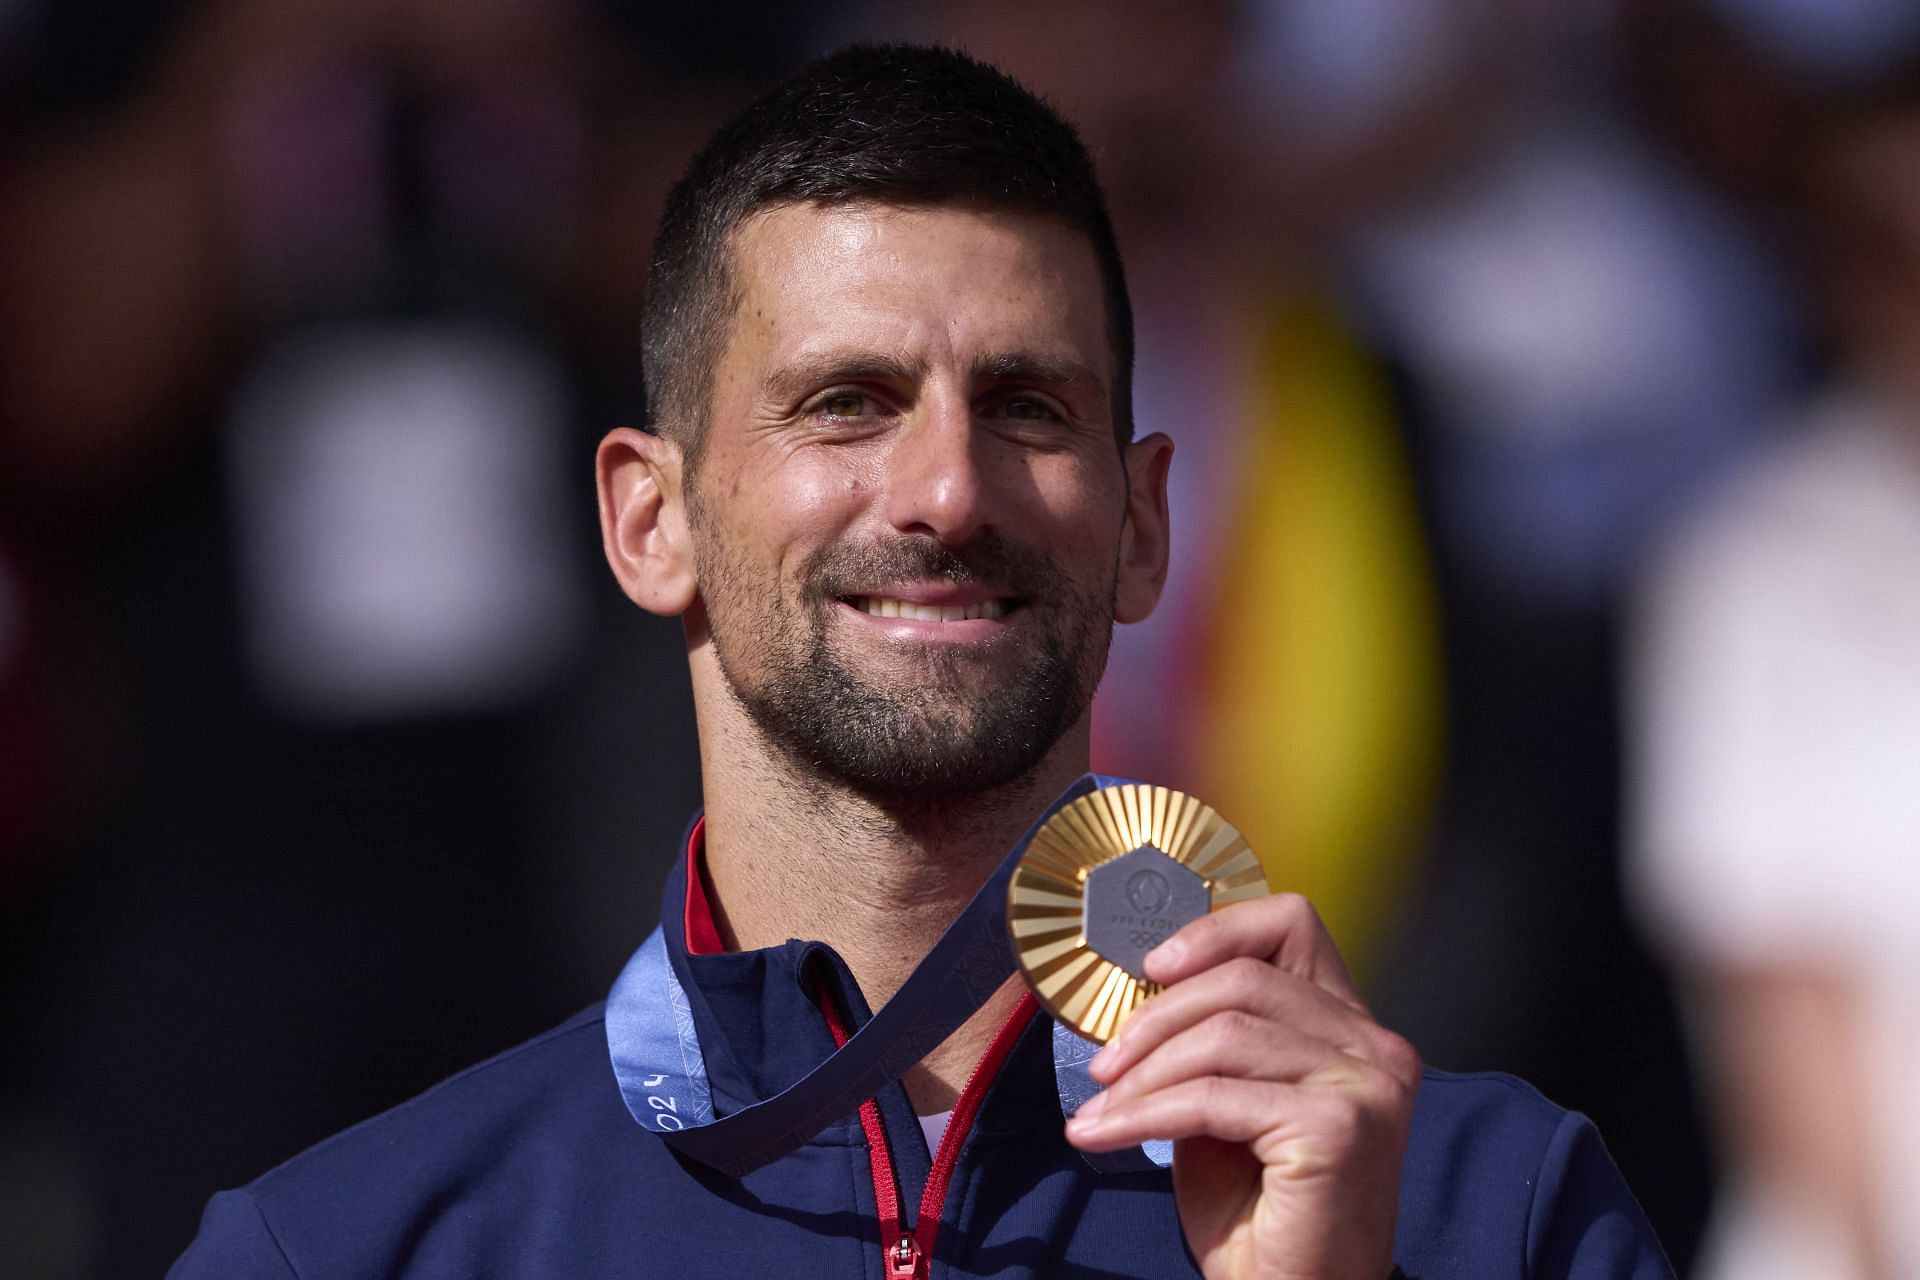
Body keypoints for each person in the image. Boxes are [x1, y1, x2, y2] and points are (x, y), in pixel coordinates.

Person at [170, 44, 1671, 1279]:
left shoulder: (1488, 1212)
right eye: (846, 402)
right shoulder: (348, 1253)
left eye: (1025, 404)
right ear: (649, 520)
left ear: (1142, 523)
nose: (949, 490)